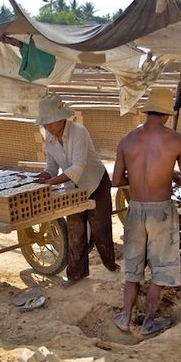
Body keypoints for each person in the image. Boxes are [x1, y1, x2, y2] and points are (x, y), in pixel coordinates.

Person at [112, 88, 181, 335]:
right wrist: (171, 175)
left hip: (135, 209)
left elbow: (117, 180)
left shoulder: (127, 140)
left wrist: (139, 176)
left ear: (147, 112)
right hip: (161, 211)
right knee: (161, 268)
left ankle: (125, 318)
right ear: (167, 115)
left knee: (133, 269)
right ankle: (149, 322)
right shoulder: (176, 140)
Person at [34, 93, 118, 286]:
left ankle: (111, 265)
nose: (47, 127)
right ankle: (76, 274)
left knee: (100, 229)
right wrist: (39, 179)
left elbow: (78, 167)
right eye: (44, 123)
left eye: (50, 122)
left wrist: (52, 182)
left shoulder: (79, 132)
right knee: (75, 231)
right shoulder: (49, 139)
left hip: (95, 183)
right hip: (72, 188)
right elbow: (51, 169)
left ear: (61, 118)